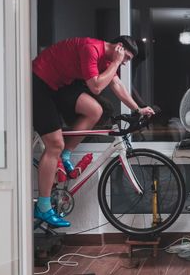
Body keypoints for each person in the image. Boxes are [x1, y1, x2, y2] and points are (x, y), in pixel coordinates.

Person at [32, 36, 155, 227]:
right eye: (127, 58)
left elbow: (117, 86)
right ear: (119, 47)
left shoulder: (107, 58)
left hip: (59, 84)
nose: (125, 62)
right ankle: (43, 206)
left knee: (95, 111)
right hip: (39, 82)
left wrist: (138, 109)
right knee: (54, 143)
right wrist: (115, 62)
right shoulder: (91, 49)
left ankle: (65, 155)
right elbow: (96, 87)